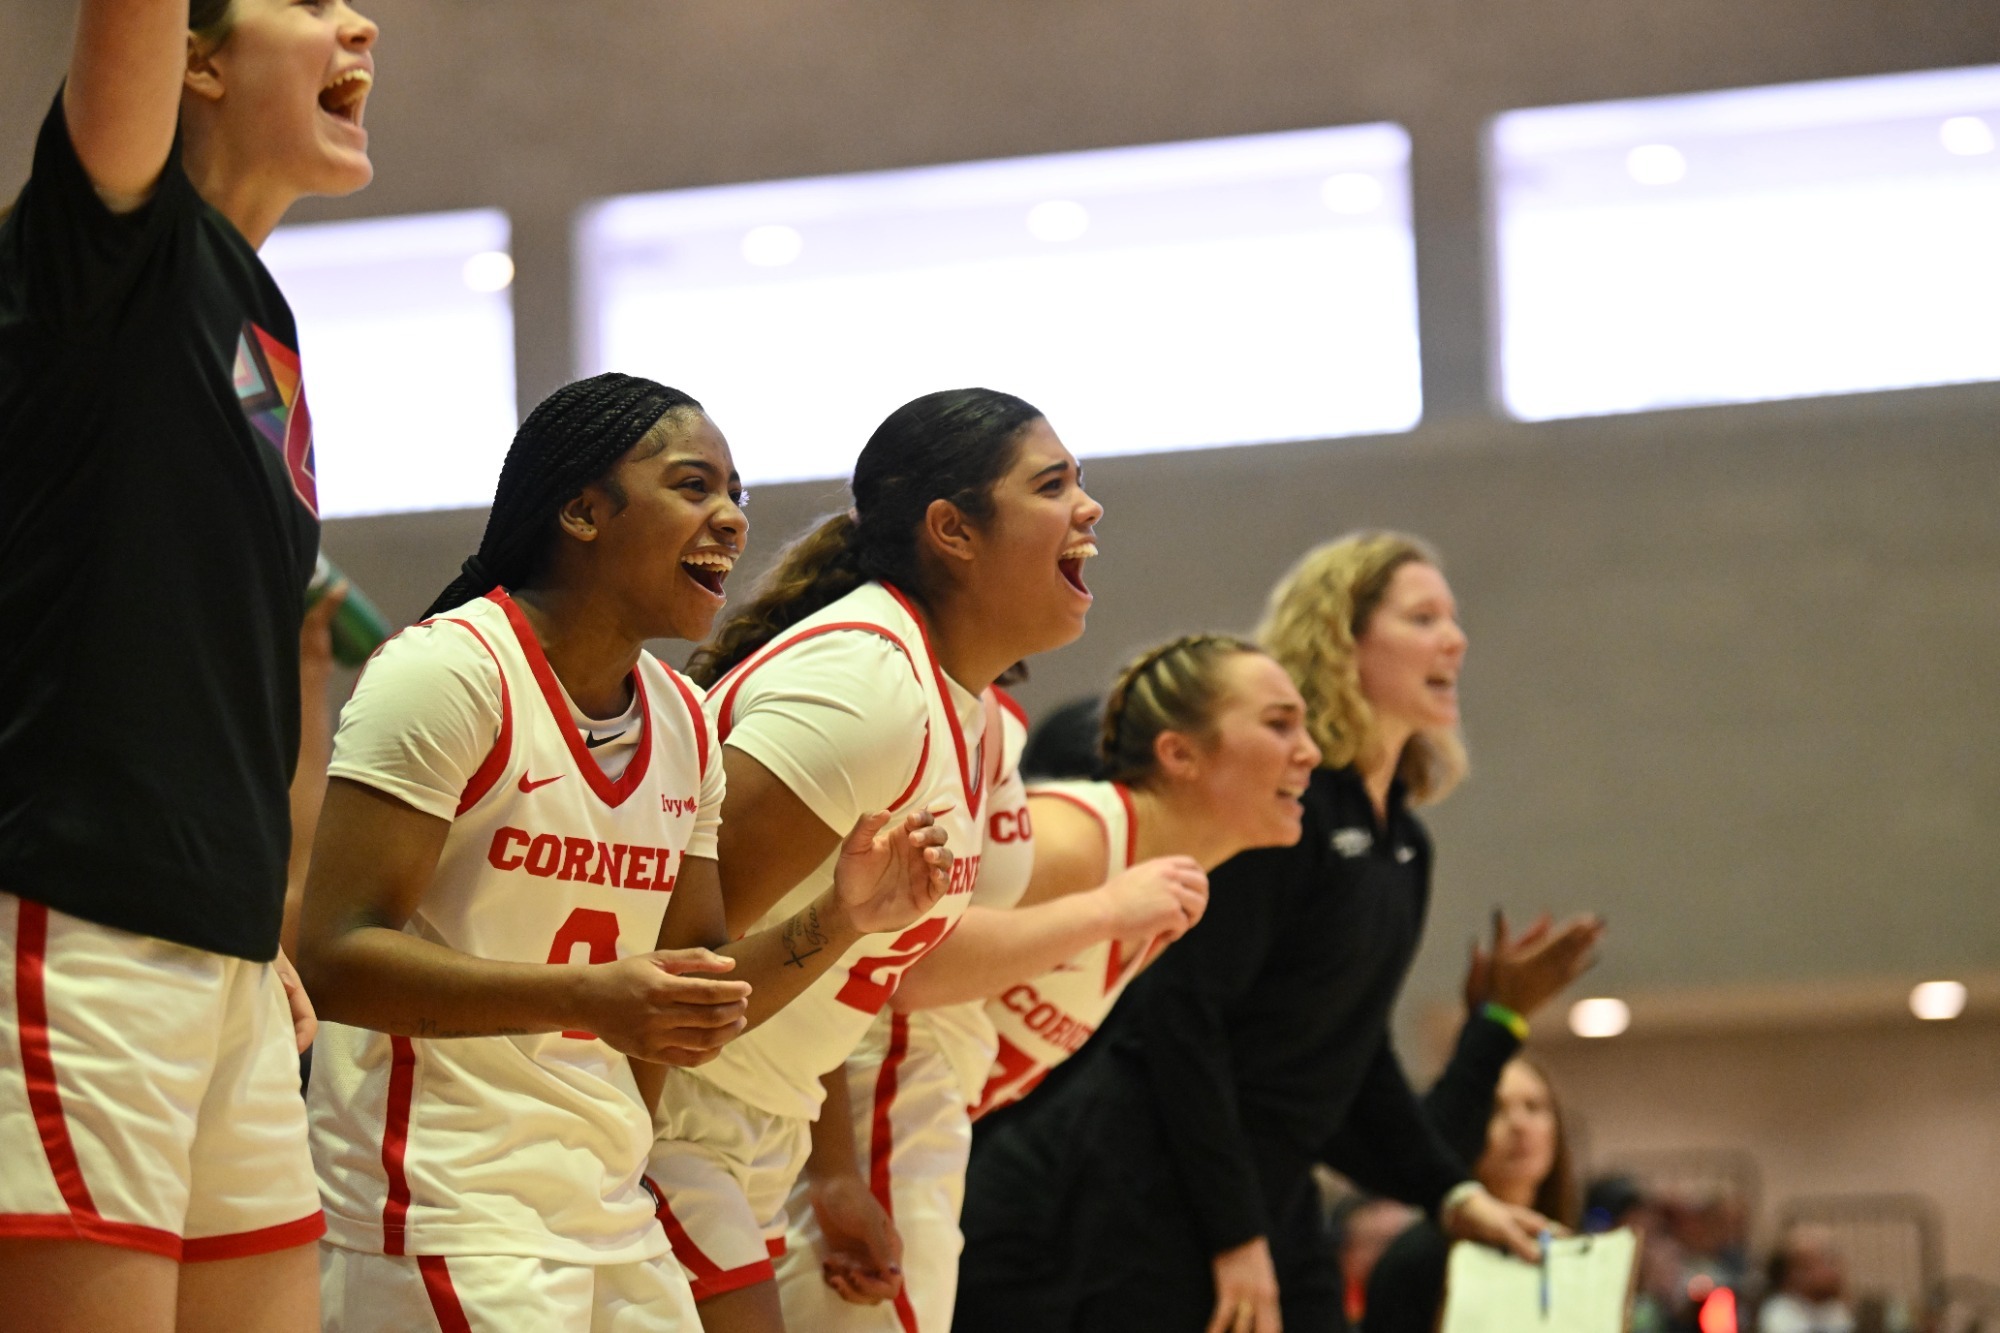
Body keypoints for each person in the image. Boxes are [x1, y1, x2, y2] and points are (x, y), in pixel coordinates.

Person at [294, 374, 953, 1331]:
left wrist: (843, 917)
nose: (731, 520)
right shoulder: (450, 673)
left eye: (739, 496)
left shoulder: (682, 720)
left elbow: (694, 997)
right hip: (442, 1213)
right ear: (582, 510)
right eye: (695, 486)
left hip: (606, 1211)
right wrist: (585, 996)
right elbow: (336, 957)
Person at [647, 387, 1195, 1333]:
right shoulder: (863, 689)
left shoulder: (966, 708)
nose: (1089, 506)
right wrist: (611, 1167)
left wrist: (827, 1166)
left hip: (759, 1120)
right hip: (677, 1121)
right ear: (953, 530)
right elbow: (665, 955)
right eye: (1053, 483)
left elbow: (824, 979)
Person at [0, 3, 376, 1329]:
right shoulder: (115, 236)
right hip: (74, 921)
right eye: (312, 4)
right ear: (197, 60)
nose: (361, 25)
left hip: (220, 947)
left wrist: (253, 913)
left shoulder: (255, 312)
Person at [955, 530, 1557, 1333]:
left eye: (1451, 617)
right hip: (1145, 1185)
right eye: (1422, 617)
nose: (1455, 637)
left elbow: (1352, 1054)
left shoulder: (1406, 842)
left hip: (1265, 1190)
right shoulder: (1275, 815)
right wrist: (1234, 1234)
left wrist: (1453, 1193)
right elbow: (1181, 1024)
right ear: (1342, 642)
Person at [778, 635, 1315, 1332]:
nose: (1310, 750)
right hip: (871, 1092)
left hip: (911, 1112)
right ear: (1179, 752)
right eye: (1279, 723)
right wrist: (1104, 910)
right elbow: (906, 960)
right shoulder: (1078, 841)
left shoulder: (1160, 878)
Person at [1362, 1057, 1579, 1333]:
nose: (1520, 1125)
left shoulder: (1573, 1246)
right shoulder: (1415, 1260)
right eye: (1494, 1109)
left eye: (1534, 1107)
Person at [1758, 1225, 1855, 1333]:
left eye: (1832, 1263)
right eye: (1824, 1263)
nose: (1834, 1272)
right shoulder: (1778, 1314)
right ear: (1796, 1274)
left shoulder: (1836, 1311)